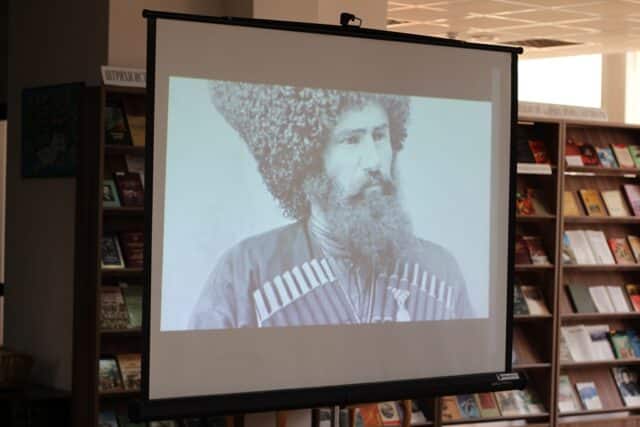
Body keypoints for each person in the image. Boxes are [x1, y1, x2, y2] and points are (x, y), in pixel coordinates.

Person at [189, 81, 473, 329]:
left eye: (379, 136)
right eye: (351, 140)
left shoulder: (441, 273)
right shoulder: (246, 272)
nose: (374, 161)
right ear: (307, 158)